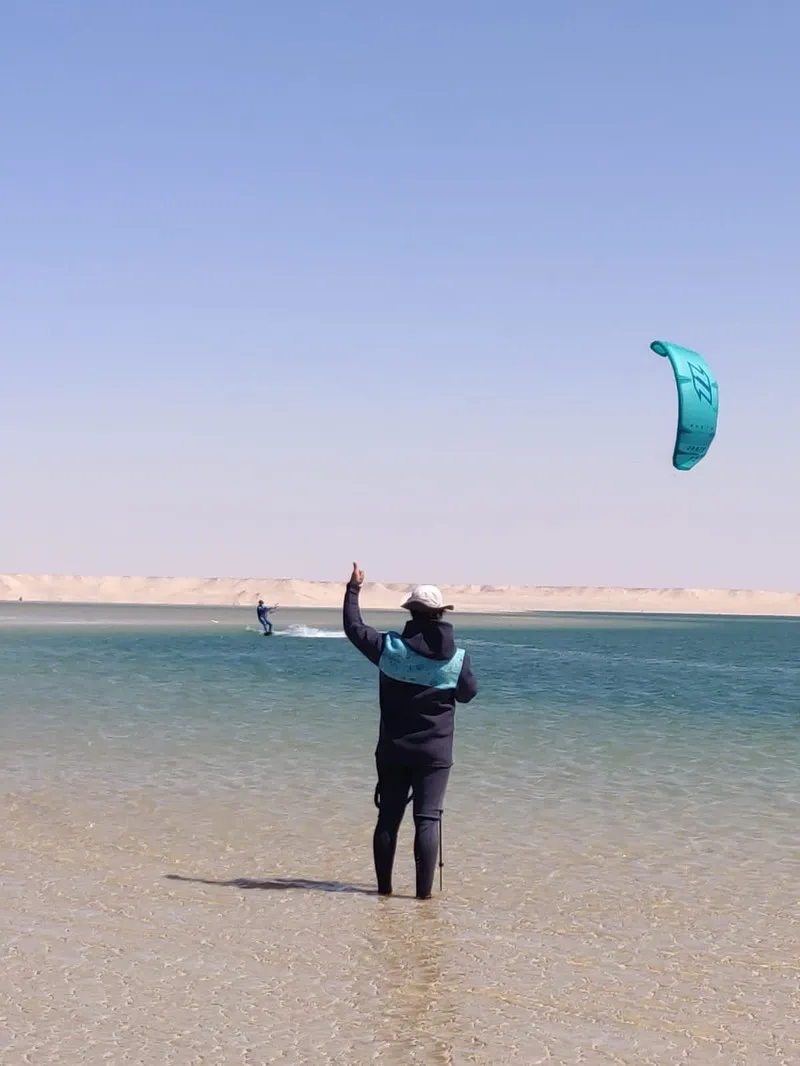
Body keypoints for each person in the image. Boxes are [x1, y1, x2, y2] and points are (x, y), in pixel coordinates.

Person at [343, 562, 478, 899]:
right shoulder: (457, 660)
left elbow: (353, 627)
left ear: (411, 614)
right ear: (440, 615)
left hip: (392, 750)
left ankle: (384, 893)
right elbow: (468, 694)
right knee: (427, 820)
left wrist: (354, 588)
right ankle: (423, 898)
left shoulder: (390, 649)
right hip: (434, 754)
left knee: (388, 818)